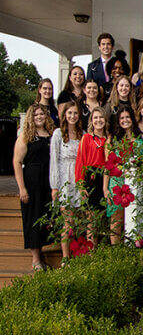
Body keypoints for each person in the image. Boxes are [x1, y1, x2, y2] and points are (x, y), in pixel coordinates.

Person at [13, 104, 53, 271]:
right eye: (35, 114)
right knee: (33, 219)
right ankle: (35, 260)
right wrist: (22, 188)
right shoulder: (26, 136)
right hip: (32, 183)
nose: (39, 117)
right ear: (31, 117)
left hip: (48, 183)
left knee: (46, 218)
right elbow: (17, 162)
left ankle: (43, 255)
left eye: (41, 114)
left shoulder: (52, 134)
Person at [105, 107, 143, 242]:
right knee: (116, 218)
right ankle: (116, 253)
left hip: (136, 182)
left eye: (127, 117)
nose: (125, 120)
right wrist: (105, 188)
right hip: (116, 182)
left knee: (136, 216)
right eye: (122, 118)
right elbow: (107, 166)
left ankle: (133, 251)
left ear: (132, 119)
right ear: (118, 121)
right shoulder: (112, 140)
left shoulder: (141, 138)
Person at [50, 103, 81, 260]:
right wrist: (55, 186)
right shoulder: (58, 134)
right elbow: (54, 160)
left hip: (78, 178)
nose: (73, 116)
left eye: (75, 113)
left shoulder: (82, 133)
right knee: (67, 222)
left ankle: (78, 255)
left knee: (79, 221)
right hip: (64, 179)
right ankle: (65, 258)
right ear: (65, 115)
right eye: (70, 113)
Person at [74, 109, 108, 244]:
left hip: (105, 177)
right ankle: (91, 252)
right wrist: (81, 185)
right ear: (91, 121)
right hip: (91, 177)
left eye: (101, 117)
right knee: (91, 219)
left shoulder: (109, 139)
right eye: (95, 118)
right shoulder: (86, 138)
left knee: (103, 217)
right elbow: (80, 161)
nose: (98, 120)